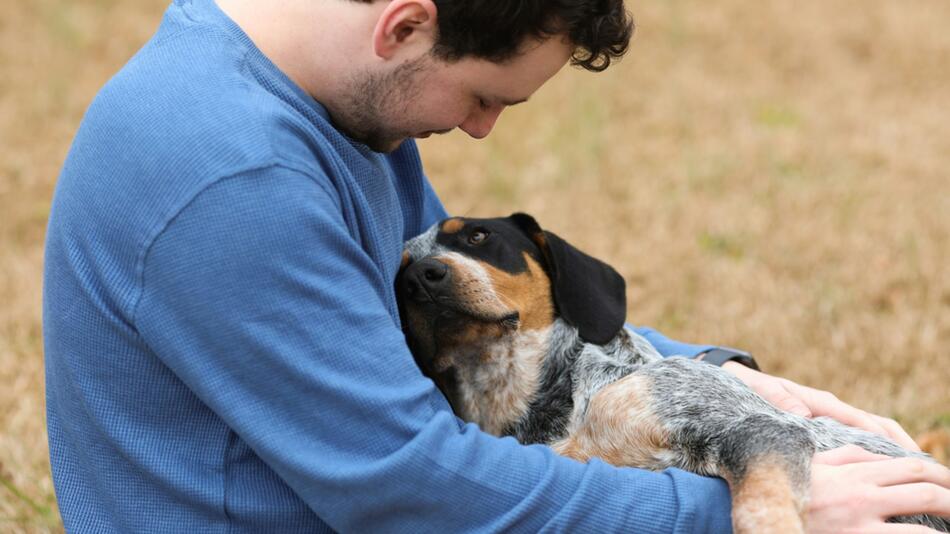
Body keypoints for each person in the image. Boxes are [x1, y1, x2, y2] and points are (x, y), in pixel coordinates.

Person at [42, 0, 950, 532]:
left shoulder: (334, 107)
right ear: (405, 25)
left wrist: (730, 381)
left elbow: (517, 321)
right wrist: (745, 506)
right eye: (483, 97)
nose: (480, 130)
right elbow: (407, 483)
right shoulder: (232, 173)